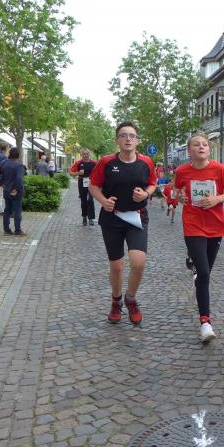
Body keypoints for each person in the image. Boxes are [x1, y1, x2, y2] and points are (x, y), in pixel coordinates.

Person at [88, 121, 156, 326]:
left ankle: (131, 298)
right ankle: (116, 301)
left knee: (138, 262)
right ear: (117, 140)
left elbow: (152, 184)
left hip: (137, 217)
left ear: (137, 141)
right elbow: (93, 186)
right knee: (116, 267)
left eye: (132, 136)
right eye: (123, 135)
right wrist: (103, 201)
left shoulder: (146, 162)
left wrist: (145, 194)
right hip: (112, 218)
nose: (128, 139)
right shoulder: (106, 162)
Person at [174, 133, 224, 342]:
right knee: (204, 272)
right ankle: (205, 322)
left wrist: (217, 199)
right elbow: (176, 191)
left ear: (209, 150)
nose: (201, 147)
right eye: (196, 144)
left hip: (215, 226)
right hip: (193, 225)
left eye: (204, 144)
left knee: (205, 272)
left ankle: (196, 277)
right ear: (189, 150)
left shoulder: (219, 169)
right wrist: (180, 196)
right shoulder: (182, 171)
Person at [1, 147, 27, 236]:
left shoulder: (4, 163)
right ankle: (17, 230)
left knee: (7, 210)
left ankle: (6, 230)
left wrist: (1, 183)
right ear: (18, 155)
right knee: (17, 211)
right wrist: (17, 189)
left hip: (6, 190)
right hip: (15, 192)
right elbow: (19, 179)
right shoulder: (19, 165)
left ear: (9, 155)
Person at [69, 148, 97, 226]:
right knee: (83, 200)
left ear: (89, 154)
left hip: (91, 183)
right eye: (84, 154)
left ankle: (91, 218)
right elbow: (71, 173)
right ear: (81, 155)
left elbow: (99, 172)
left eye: (87, 154)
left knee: (91, 200)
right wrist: (78, 173)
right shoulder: (78, 163)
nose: (85, 155)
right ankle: (84, 217)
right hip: (82, 182)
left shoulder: (94, 163)